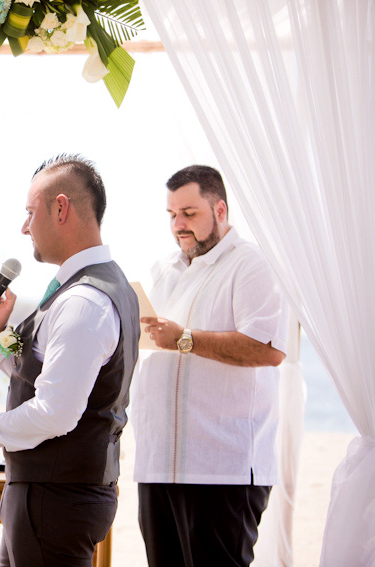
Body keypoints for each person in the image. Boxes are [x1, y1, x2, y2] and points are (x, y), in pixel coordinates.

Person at [0, 154, 140, 567]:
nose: (24, 227)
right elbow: (39, 371)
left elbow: (56, 412)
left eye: (30, 212)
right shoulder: (97, 288)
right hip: (54, 494)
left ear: (61, 208)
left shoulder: (83, 301)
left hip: (55, 499)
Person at [133, 165, 288, 567]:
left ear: (220, 210)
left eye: (189, 213)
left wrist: (186, 339)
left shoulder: (251, 264)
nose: (178, 225)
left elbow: (268, 349)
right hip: (158, 466)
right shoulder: (164, 270)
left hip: (221, 472)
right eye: (171, 215)